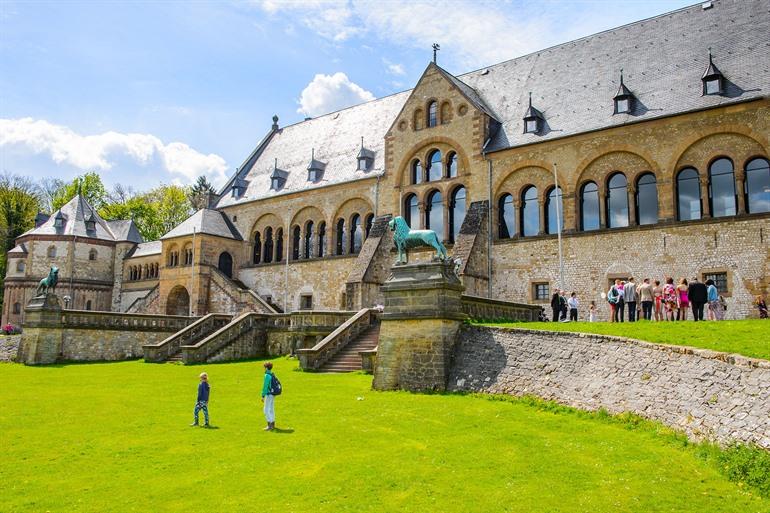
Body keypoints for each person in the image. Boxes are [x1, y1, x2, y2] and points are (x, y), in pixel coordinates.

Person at [261, 362, 277, 431]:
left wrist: (262, 395)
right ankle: (273, 424)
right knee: (271, 409)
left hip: (268, 394)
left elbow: (265, 386)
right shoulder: (272, 374)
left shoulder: (267, 375)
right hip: (273, 394)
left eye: (264, 367)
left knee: (265, 409)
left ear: (266, 368)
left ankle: (269, 425)